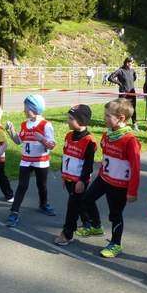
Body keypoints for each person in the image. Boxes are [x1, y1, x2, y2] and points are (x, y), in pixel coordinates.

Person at [77, 98, 141, 258]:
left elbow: (136, 168)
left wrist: (132, 191)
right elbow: (107, 157)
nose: (104, 118)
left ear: (121, 118)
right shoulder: (107, 135)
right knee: (86, 199)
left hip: (119, 185)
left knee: (115, 214)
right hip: (104, 178)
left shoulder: (130, 140)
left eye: (107, 116)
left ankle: (115, 243)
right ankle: (96, 226)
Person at [4, 94, 57, 227]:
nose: (23, 110)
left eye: (25, 107)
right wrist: (11, 132)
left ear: (32, 108)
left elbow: (52, 145)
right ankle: (14, 212)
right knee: (22, 186)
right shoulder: (25, 124)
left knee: (42, 185)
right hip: (26, 161)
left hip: (41, 161)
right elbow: (18, 141)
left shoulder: (46, 125)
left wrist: (42, 139)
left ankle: (44, 204)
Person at [54, 104, 96, 246]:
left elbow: (88, 165)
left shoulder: (89, 141)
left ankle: (67, 233)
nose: (67, 121)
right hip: (68, 177)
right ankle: (88, 222)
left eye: (71, 118)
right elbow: (65, 156)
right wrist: (63, 174)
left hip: (79, 180)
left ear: (81, 121)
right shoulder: (68, 136)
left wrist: (82, 181)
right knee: (79, 203)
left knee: (72, 206)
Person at [108, 56, 139, 130]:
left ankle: (134, 124)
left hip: (132, 92)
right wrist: (119, 83)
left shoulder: (133, 71)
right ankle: (121, 123)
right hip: (123, 93)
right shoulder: (120, 70)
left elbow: (134, 78)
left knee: (133, 108)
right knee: (121, 109)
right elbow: (110, 78)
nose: (131, 64)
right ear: (126, 62)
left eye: (132, 62)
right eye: (130, 62)